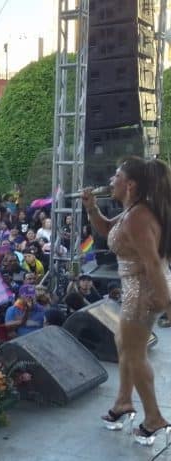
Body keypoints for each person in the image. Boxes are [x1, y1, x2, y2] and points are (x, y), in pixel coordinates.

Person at [85, 157, 171, 445]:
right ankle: (123, 402)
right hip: (137, 289)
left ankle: (154, 419)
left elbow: (153, 263)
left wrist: (165, 302)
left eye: (116, 175)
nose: (111, 180)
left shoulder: (137, 217)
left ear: (130, 185)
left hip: (142, 292)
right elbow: (109, 231)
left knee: (135, 354)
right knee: (124, 344)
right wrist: (91, 208)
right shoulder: (132, 212)